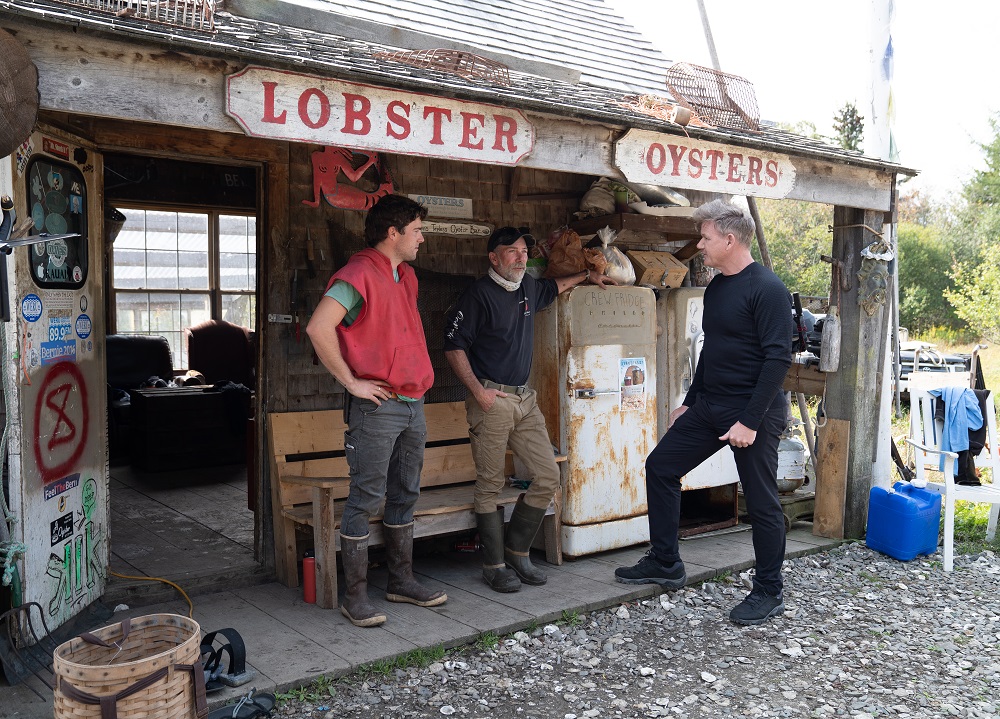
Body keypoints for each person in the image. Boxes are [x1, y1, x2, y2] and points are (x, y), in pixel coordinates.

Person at [615, 199, 793, 626]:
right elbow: (712, 352)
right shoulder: (717, 287)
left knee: (763, 502)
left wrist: (749, 421)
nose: (701, 244)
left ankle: (769, 590)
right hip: (711, 405)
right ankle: (665, 561)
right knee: (660, 467)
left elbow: (777, 361)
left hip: (755, 411)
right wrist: (689, 401)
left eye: (706, 237)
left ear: (730, 240)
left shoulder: (768, 289)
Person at [444, 227, 616, 593]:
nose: (521, 258)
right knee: (489, 485)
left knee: (547, 477)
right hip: (491, 401)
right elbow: (453, 345)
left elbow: (556, 286)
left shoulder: (528, 288)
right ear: (494, 258)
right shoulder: (478, 295)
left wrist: (588, 275)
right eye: (511, 252)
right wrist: (479, 391)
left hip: (525, 400)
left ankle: (517, 552)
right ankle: (494, 566)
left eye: (523, 251)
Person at [306, 194, 446, 627]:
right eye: (417, 230)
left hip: (412, 402)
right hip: (377, 406)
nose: (422, 238)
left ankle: (400, 581)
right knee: (366, 497)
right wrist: (351, 382)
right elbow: (318, 327)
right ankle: (355, 596)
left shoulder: (407, 276)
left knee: (405, 492)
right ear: (393, 232)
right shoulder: (356, 274)